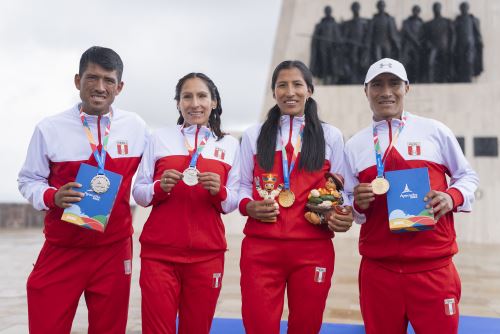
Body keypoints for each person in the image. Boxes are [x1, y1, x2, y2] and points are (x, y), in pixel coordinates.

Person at [18, 46, 148, 333]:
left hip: (114, 251)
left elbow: (152, 173)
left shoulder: (136, 127)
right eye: (92, 78)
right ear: (78, 81)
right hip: (63, 249)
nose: (100, 87)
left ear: (120, 87)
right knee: (45, 326)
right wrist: (52, 196)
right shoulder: (49, 128)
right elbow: (28, 180)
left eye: (108, 80)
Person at [343, 58, 479, 334]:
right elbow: (349, 205)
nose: (386, 92)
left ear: (407, 88)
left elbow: (468, 177)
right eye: (377, 85)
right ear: (365, 90)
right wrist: (357, 203)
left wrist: (451, 197)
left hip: (434, 268)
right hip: (379, 271)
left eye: (394, 83)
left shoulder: (434, 131)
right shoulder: (355, 145)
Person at [238, 60, 353, 334]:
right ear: (273, 92)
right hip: (260, 249)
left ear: (310, 90)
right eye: (282, 85)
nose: (290, 92)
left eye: (297, 84)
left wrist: (342, 213)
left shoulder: (331, 136)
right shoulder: (254, 135)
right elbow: (241, 186)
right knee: (258, 326)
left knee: (306, 326)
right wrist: (248, 206)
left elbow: (343, 190)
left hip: (313, 250)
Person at [132, 73, 240, 334]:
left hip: (207, 255)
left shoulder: (229, 144)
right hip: (160, 254)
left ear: (214, 102)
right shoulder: (159, 138)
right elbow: (139, 192)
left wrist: (220, 192)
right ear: (178, 103)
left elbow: (232, 202)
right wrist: (159, 188)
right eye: (187, 97)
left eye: (202, 96)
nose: (195, 103)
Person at [310, 5, 343, 84]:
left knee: (332, 63)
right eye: (327, 10)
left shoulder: (334, 24)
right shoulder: (320, 25)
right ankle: (324, 78)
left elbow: (338, 36)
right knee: (324, 63)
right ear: (325, 12)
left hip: (332, 47)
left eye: (329, 10)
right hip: (322, 47)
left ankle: (332, 79)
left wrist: (338, 44)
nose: (328, 12)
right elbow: (315, 39)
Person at [423, 2, 455, 82]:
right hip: (434, 47)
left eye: (437, 7)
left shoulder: (447, 21)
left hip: (444, 46)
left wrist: (451, 46)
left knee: (445, 64)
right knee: (430, 63)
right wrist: (428, 43)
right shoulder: (429, 24)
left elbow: (453, 35)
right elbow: (425, 37)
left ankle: (445, 80)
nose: (436, 9)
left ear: (440, 9)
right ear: (433, 10)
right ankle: (430, 80)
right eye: (435, 8)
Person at [340, 1, 370, 84]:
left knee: (362, 63)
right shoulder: (349, 24)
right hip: (352, 47)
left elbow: (367, 35)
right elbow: (345, 36)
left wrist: (365, 44)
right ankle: (353, 79)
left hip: (362, 47)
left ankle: (362, 78)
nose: (355, 10)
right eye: (354, 8)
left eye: (356, 8)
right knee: (353, 62)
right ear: (352, 9)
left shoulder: (364, 23)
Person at [454, 1, 483, 82]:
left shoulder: (472, 19)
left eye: (465, 7)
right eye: (462, 7)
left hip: (470, 44)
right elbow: (454, 32)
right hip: (460, 44)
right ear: (460, 9)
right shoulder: (457, 20)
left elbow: (477, 32)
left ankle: (469, 77)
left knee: (469, 60)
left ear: (468, 8)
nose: (464, 9)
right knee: (461, 60)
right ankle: (462, 78)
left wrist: (479, 41)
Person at [401, 5, 424, 83]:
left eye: (417, 11)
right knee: (405, 62)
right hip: (408, 45)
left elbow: (423, 34)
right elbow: (406, 32)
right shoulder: (407, 21)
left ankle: (416, 79)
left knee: (416, 63)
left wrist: (419, 42)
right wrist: (415, 41)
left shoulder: (421, 22)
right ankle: (404, 78)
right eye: (415, 10)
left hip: (417, 46)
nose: (416, 12)